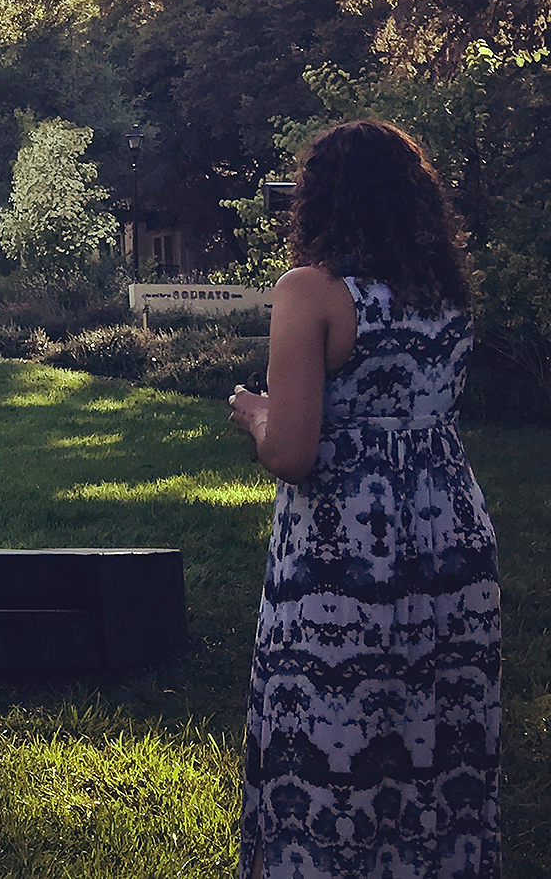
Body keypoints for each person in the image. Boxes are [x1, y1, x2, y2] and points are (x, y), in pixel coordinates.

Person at [227, 120, 499, 879]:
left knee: (333, 744)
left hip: (345, 550)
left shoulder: (310, 292)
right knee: (439, 743)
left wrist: (253, 411)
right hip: (453, 537)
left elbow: (291, 449)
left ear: (320, 199)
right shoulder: (443, 293)